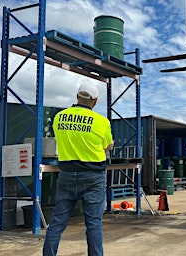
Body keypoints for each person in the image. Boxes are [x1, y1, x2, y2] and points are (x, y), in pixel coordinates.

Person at [43, 84, 114, 256]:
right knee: (94, 224)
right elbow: (108, 146)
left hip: (66, 175)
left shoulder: (59, 117)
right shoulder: (102, 121)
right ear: (95, 101)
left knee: (58, 221)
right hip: (93, 176)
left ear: (77, 97)